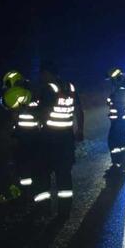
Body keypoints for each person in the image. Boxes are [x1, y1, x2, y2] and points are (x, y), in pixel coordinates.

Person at [32, 60, 84, 216]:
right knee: (64, 176)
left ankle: (44, 210)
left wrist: (33, 112)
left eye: (42, 74)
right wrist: (80, 130)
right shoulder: (70, 87)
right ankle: (64, 211)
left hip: (50, 138)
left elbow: (43, 113)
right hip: (67, 138)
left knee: (42, 174)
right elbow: (79, 111)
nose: (41, 77)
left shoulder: (48, 89)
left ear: (47, 73)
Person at [1, 70, 40, 193]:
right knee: (36, 166)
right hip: (37, 135)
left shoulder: (14, 95)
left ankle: (27, 193)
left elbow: (9, 110)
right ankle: (36, 189)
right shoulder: (33, 92)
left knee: (23, 166)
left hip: (23, 136)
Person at [106, 67, 125, 173]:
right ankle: (120, 163)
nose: (111, 83)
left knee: (116, 142)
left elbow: (116, 104)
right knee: (118, 141)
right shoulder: (121, 89)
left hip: (119, 120)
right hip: (119, 120)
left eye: (112, 80)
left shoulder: (120, 90)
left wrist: (110, 100)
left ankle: (120, 163)